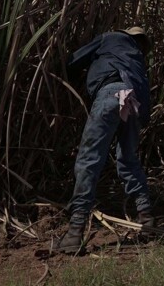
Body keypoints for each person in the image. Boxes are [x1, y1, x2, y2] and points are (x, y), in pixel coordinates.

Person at [55, 26, 156, 254]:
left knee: (89, 160)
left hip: (111, 94)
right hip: (134, 102)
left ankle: (74, 232)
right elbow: (145, 109)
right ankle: (147, 219)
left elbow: (72, 61)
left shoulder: (111, 37)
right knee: (128, 159)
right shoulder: (138, 60)